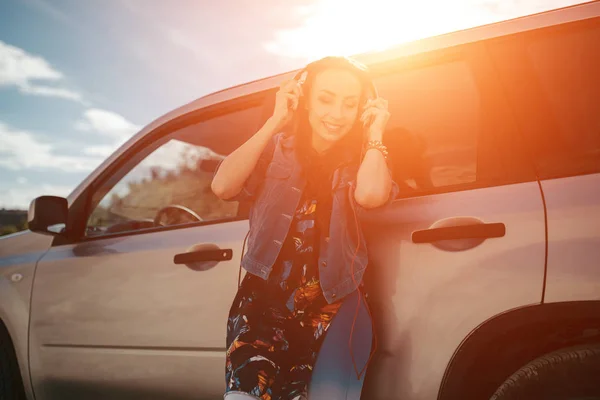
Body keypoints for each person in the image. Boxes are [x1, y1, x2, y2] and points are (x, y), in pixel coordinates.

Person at [211, 56, 398, 400]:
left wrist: (375, 134)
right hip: (262, 306)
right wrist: (275, 120)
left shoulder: (365, 159)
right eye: (326, 99)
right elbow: (223, 186)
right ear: (305, 97)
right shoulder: (274, 150)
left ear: (362, 108)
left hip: (334, 306)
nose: (337, 114)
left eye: (349, 104)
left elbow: (372, 195)